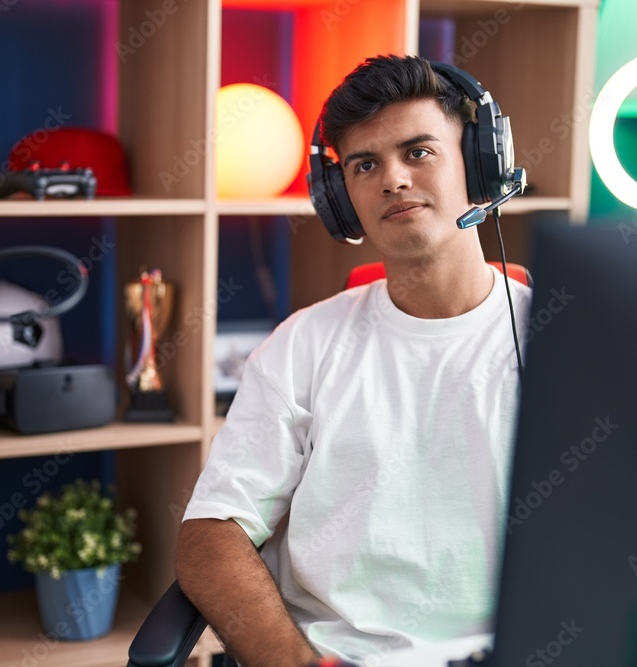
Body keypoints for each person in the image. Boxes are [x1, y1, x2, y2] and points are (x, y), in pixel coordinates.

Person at [176, 54, 532, 666]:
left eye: (418, 152)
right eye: (366, 165)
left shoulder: (559, 342)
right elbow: (210, 535)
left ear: (479, 165)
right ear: (342, 198)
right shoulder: (301, 345)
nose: (393, 179)